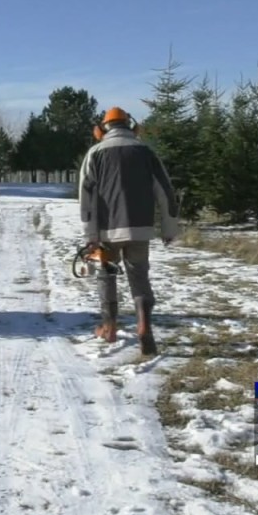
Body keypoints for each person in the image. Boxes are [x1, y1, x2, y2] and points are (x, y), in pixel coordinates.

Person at [78, 107, 180, 356]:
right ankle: (144, 327)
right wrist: (169, 228)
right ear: (131, 126)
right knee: (139, 277)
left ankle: (109, 328)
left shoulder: (95, 153)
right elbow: (166, 192)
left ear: (102, 128)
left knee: (107, 274)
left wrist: (90, 235)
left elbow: (86, 198)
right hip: (140, 229)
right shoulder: (146, 152)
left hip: (107, 231)